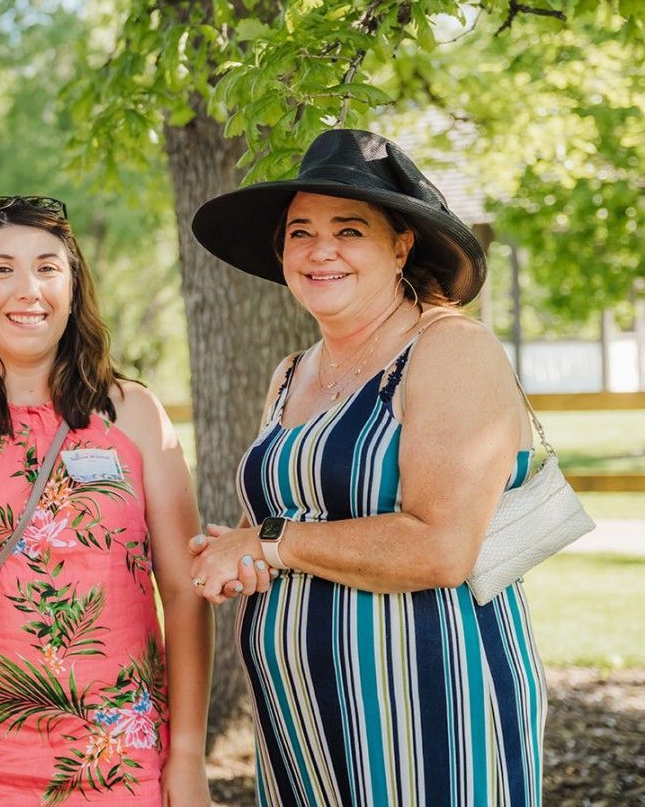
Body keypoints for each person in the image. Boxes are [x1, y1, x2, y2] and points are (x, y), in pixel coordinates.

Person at [187, 129, 546, 806]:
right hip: (299, 724)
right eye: (300, 233)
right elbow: (270, 527)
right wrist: (232, 554)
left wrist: (270, 542)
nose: (320, 250)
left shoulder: (447, 351)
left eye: (348, 230)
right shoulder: (289, 373)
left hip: (426, 707)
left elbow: (439, 548)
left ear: (399, 246)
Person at [0, 195, 212, 807]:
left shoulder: (135, 416)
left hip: (116, 764)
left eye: (47, 267)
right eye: (2, 269)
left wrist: (187, 756)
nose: (27, 288)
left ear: (73, 286)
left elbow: (185, 595)